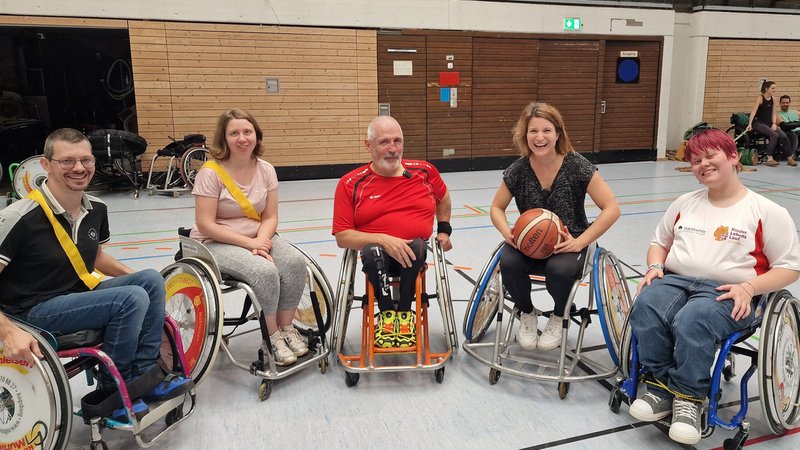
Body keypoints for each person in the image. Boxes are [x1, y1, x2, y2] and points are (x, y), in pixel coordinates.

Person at [0, 128, 191, 422]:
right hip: (30, 311)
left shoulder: (96, 209)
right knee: (130, 298)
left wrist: (141, 281)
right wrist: (8, 331)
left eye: (85, 160)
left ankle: (141, 378)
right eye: (67, 161)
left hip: (74, 296)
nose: (79, 168)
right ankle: (111, 391)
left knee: (150, 281)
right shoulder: (20, 216)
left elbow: (95, 256)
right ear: (46, 165)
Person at [627, 128, 800, 445]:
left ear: (733, 157)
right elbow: (658, 243)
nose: (702, 164)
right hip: (677, 279)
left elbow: (790, 267)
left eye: (710, 156)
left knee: (693, 320)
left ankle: (689, 399)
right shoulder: (684, 203)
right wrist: (654, 266)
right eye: (695, 161)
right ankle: (662, 387)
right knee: (646, 306)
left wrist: (749, 287)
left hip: (731, 289)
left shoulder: (767, 211)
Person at [489, 102, 620, 351]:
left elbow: (612, 207)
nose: (539, 137)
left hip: (569, 242)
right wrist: (508, 232)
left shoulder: (576, 165)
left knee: (559, 271)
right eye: (533, 131)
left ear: (558, 133)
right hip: (530, 242)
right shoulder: (518, 169)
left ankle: (559, 315)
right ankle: (527, 312)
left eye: (546, 130)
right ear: (524, 135)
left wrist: (580, 241)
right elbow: (496, 207)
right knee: (508, 263)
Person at [190, 108, 308, 366]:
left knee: (296, 263)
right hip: (215, 241)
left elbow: (270, 217)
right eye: (234, 133)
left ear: (256, 135)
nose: (242, 138)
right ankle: (272, 336)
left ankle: (287, 328)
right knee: (264, 272)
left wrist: (263, 242)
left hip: (258, 234)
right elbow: (205, 224)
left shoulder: (266, 169)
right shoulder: (210, 173)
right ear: (224, 138)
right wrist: (251, 244)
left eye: (247, 131)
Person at [332, 116, 453, 348]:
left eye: (398, 141)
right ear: (368, 145)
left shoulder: (425, 171)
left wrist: (444, 230)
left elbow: (444, 198)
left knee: (417, 245)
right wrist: (384, 240)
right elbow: (343, 236)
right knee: (374, 250)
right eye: (384, 142)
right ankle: (388, 315)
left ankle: (405, 314)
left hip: (415, 253)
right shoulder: (350, 183)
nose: (393, 149)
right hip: (375, 257)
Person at [746, 80, 794, 167]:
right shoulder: (760, 98)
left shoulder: (773, 99)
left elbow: (773, 113)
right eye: (773, 88)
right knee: (775, 135)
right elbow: (753, 111)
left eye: (775, 88)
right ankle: (769, 158)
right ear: (766, 89)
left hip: (768, 123)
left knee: (783, 136)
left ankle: (789, 158)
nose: (774, 90)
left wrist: (774, 123)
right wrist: (749, 124)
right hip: (758, 123)